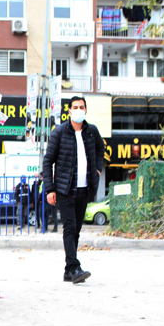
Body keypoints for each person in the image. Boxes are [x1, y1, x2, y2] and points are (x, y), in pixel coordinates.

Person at [43, 96, 104, 284]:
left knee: (76, 229)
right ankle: (75, 266)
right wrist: (49, 189)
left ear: (86, 110)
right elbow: (47, 161)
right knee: (69, 227)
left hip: (84, 188)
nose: (78, 110)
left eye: (82, 107)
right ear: (69, 110)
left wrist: (98, 170)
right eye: (75, 107)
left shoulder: (92, 131)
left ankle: (68, 271)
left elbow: (100, 150)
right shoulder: (59, 132)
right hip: (65, 188)